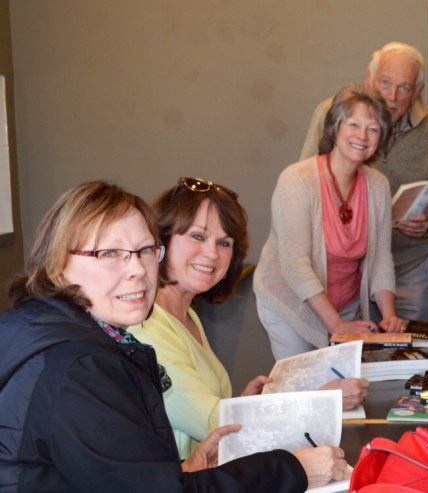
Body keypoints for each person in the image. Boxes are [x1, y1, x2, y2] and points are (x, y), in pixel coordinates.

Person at [0, 181, 346, 492]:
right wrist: (294, 470)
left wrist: (178, 471)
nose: (137, 269)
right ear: (57, 262)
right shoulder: (80, 364)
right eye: (109, 254)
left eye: (145, 251)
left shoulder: (50, 326)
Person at [129, 176, 369, 459]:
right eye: (197, 236)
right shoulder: (147, 328)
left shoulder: (187, 313)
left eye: (224, 242)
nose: (211, 253)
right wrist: (323, 400)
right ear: (161, 240)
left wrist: (245, 403)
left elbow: (207, 415)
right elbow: (214, 424)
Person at [299, 41, 428, 322]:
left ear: (417, 91)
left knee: (411, 353)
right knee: (351, 356)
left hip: (407, 267)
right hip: (343, 269)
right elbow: (307, 181)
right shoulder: (332, 113)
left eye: (404, 88)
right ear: (369, 77)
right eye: (384, 82)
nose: (391, 96)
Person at [255, 83, 406, 360]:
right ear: (335, 128)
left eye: (373, 128)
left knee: (343, 387)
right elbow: (295, 266)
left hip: (344, 303)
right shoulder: (297, 180)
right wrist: (336, 325)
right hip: (292, 303)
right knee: (303, 386)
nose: (362, 136)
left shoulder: (377, 186)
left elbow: (382, 258)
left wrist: (390, 318)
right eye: (353, 124)